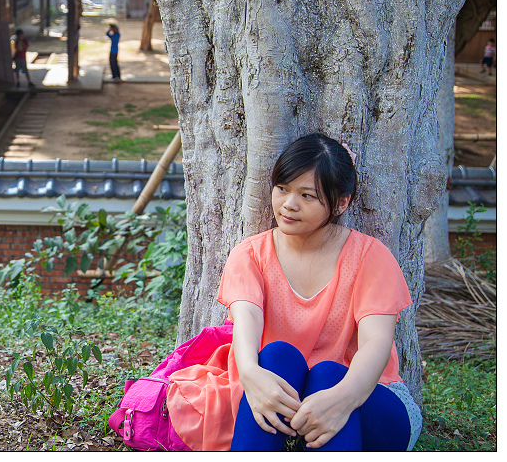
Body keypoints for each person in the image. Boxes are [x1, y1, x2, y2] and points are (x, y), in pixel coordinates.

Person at [165, 133, 422, 451]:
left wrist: (343, 399)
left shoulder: (370, 256)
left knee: (329, 374)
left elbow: (376, 342)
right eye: (282, 188)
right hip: (281, 399)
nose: (289, 204)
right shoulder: (251, 255)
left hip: (366, 399)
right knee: (275, 355)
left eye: (307, 195)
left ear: (341, 203)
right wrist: (249, 374)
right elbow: (246, 326)